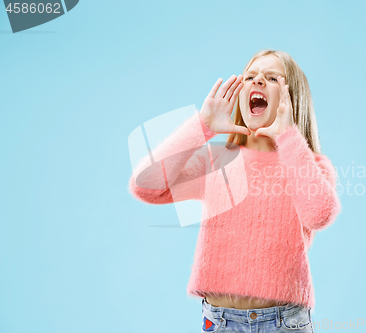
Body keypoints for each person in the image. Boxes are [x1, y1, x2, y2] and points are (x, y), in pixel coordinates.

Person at [128, 49, 342, 333]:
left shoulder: (310, 165)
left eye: (272, 78)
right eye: (251, 76)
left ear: (293, 100)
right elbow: (146, 186)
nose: (258, 82)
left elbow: (319, 214)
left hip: (284, 323)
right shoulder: (218, 159)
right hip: (220, 322)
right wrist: (202, 126)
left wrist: (289, 136)